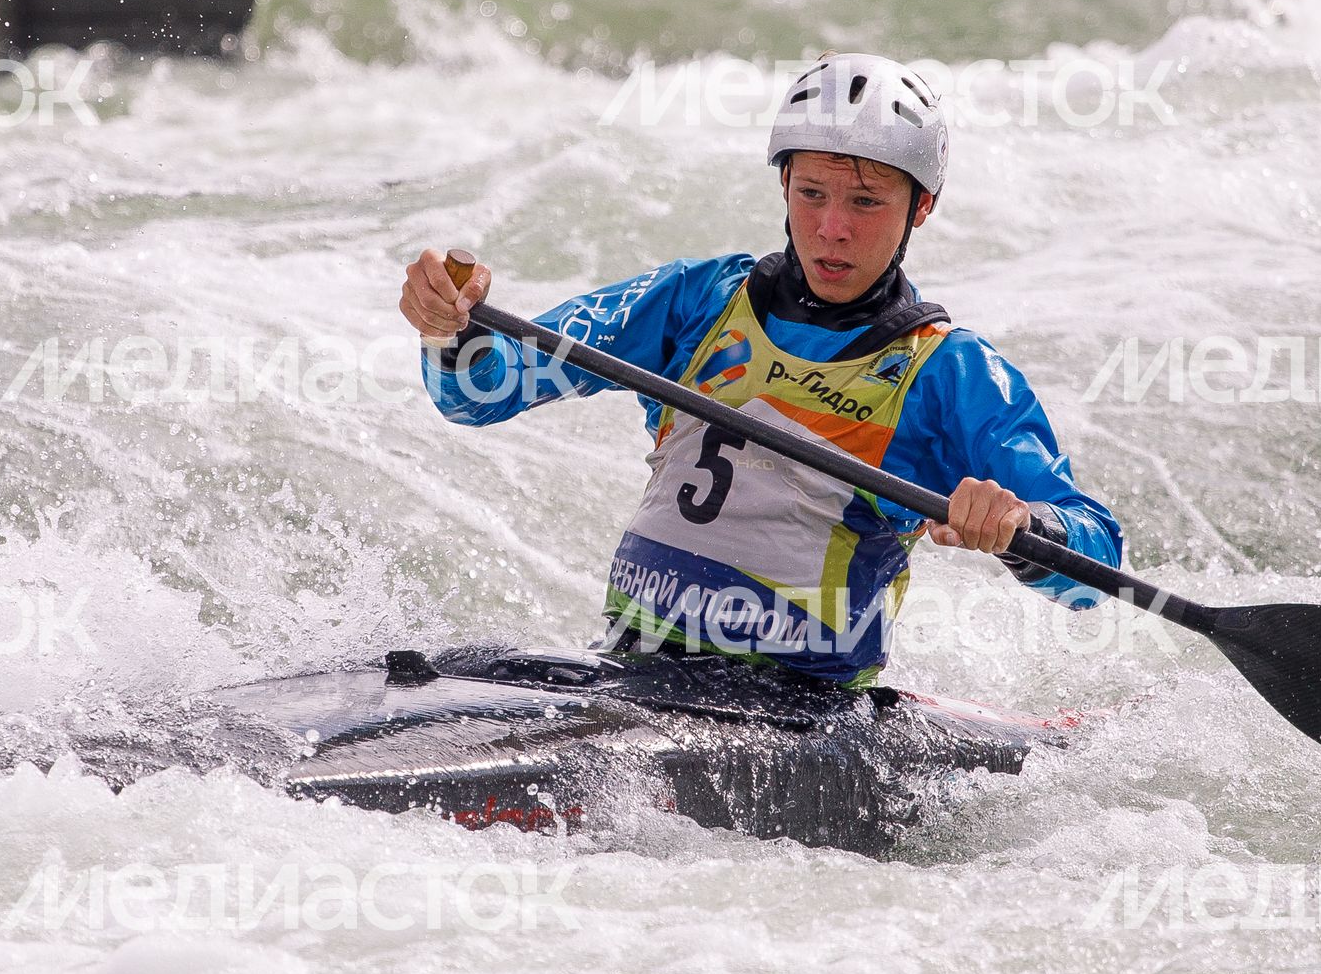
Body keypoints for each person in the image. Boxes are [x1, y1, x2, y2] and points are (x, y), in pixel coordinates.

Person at [399, 53, 1123, 692]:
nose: (832, 228)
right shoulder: (697, 302)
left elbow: (1097, 563)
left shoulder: (952, 375)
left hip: (797, 712)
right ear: (783, 187)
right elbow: (478, 393)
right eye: (812, 193)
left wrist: (1023, 524)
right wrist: (449, 330)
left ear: (921, 208)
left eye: (866, 202)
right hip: (631, 670)